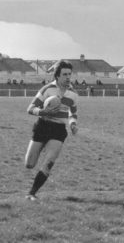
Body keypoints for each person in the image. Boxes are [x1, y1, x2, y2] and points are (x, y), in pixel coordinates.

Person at [24, 60, 79, 200]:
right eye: (64, 74)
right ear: (57, 76)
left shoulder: (73, 94)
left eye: (69, 74)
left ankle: (32, 193)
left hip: (58, 129)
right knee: (29, 164)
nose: (68, 77)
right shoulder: (47, 89)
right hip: (42, 126)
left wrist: (73, 123)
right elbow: (30, 108)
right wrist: (42, 112)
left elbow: (73, 113)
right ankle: (38, 150)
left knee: (49, 162)